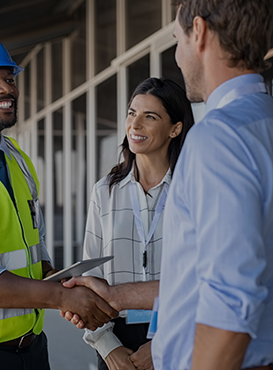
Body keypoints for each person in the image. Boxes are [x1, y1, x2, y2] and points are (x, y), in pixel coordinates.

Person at [63, 0, 273, 369]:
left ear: (201, 32)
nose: (176, 55)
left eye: (177, 39)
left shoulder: (218, 138)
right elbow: (201, 279)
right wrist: (116, 296)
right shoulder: (262, 123)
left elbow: (229, 297)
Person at [0, 30, 116, 370]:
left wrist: (66, 281)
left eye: (9, 78)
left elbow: (32, 250)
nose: (7, 89)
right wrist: (62, 297)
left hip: (32, 349)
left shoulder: (17, 160)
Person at [82, 77, 193, 370]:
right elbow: (90, 273)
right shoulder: (104, 190)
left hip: (179, 335)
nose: (135, 125)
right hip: (116, 337)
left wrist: (163, 344)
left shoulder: (193, 190)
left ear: (175, 128)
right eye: (132, 113)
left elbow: (203, 276)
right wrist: (108, 349)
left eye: (150, 117)